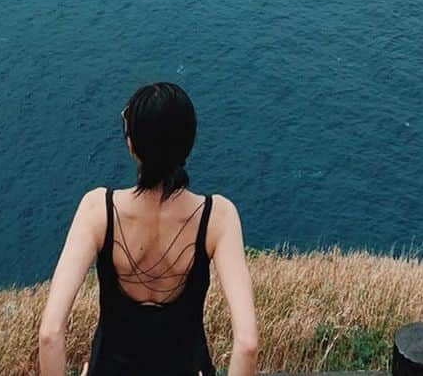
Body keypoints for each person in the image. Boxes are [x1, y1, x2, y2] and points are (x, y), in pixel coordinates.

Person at [38, 82, 258, 376]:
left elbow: (50, 335)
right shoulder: (218, 216)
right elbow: (247, 344)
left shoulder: (98, 209)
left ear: (132, 145)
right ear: (188, 142)